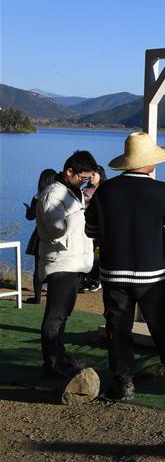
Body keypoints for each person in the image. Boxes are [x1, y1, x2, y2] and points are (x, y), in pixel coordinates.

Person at [85, 132, 165, 400]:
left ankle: (123, 382)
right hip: (153, 275)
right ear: (149, 161)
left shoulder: (106, 190)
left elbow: (90, 229)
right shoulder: (162, 190)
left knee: (118, 329)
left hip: (114, 274)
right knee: (163, 326)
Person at [36, 151, 98, 377]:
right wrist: (80, 212)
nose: (84, 182)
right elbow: (56, 230)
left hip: (73, 262)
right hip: (60, 262)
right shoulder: (52, 195)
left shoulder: (72, 192)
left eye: (88, 178)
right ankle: (52, 362)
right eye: (82, 177)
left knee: (63, 313)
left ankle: (59, 355)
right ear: (69, 171)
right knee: (55, 315)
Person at [24, 168, 58, 304]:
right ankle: (53, 296)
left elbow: (30, 216)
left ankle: (37, 298)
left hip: (39, 234)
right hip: (55, 234)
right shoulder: (58, 197)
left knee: (38, 267)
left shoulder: (37, 197)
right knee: (54, 266)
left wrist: (28, 210)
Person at [80, 166, 106, 293]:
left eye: (94, 175)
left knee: (97, 255)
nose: (91, 177)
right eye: (90, 175)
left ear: (100, 176)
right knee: (85, 253)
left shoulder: (103, 190)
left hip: (98, 227)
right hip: (84, 226)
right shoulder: (84, 189)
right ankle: (86, 280)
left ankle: (97, 280)